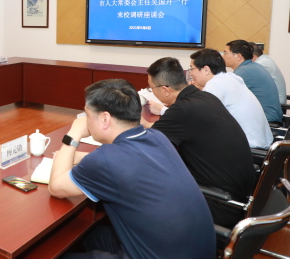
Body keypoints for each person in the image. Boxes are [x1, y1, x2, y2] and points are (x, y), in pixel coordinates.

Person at [49, 79, 215, 259]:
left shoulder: (106, 159)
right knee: (89, 234)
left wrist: (73, 134)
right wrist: (79, 158)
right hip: (195, 251)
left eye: (87, 115)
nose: (85, 122)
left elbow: (56, 187)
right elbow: (126, 162)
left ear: (104, 119)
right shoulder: (157, 136)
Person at [144, 57, 255, 228]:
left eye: (151, 88)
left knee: (146, 189)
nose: (152, 92)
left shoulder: (182, 109)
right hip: (241, 196)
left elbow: (146, 148)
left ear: (165, 90)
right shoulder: (205, 97)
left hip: (219, 204)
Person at [189, 48, 273, 149]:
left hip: (248, 148)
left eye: (192, 69)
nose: (190, 74)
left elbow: (199, 117)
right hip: (263, 144)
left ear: (206, 70)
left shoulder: (215, 84)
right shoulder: (231, 78)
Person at [223, 40, 282, 124]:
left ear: (238, 56)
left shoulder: (244, 71)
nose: (222, 56)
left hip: (265, 121)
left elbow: (224, 96)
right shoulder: (253, 66)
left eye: (225, 53)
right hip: (267, 117)